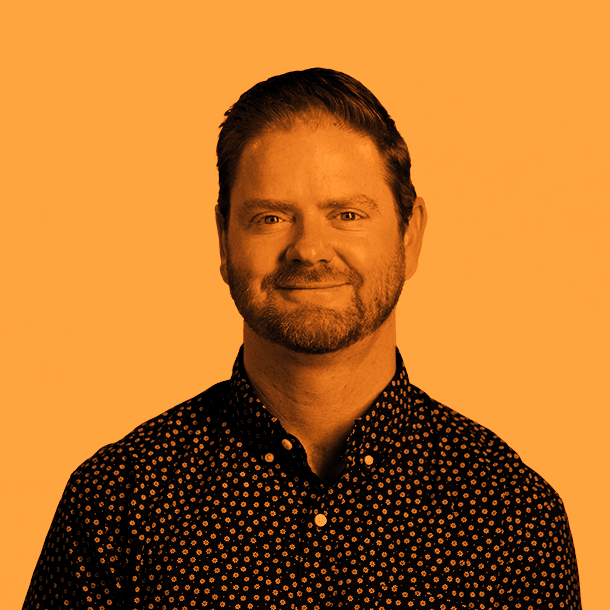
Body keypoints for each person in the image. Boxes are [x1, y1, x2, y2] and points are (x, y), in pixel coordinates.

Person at [24, 68, 581, 609]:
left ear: (410, 236)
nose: (309, 249)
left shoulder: (514, 518)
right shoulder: (115, 505)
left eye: (347, 214)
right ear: (223, 240)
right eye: (271, 217)